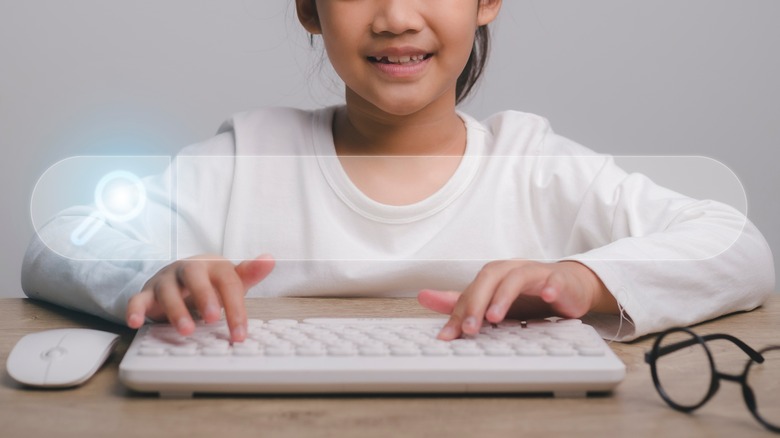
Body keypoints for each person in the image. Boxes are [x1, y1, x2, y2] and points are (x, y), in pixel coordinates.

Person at [22, 0, 774, 344]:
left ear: (487, 1)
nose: (396, 16)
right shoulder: (248, 158)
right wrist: (150, 275)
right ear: (309, 10)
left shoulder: (532, 165)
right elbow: (56, 242)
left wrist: (582, 279)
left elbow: (736, 246)